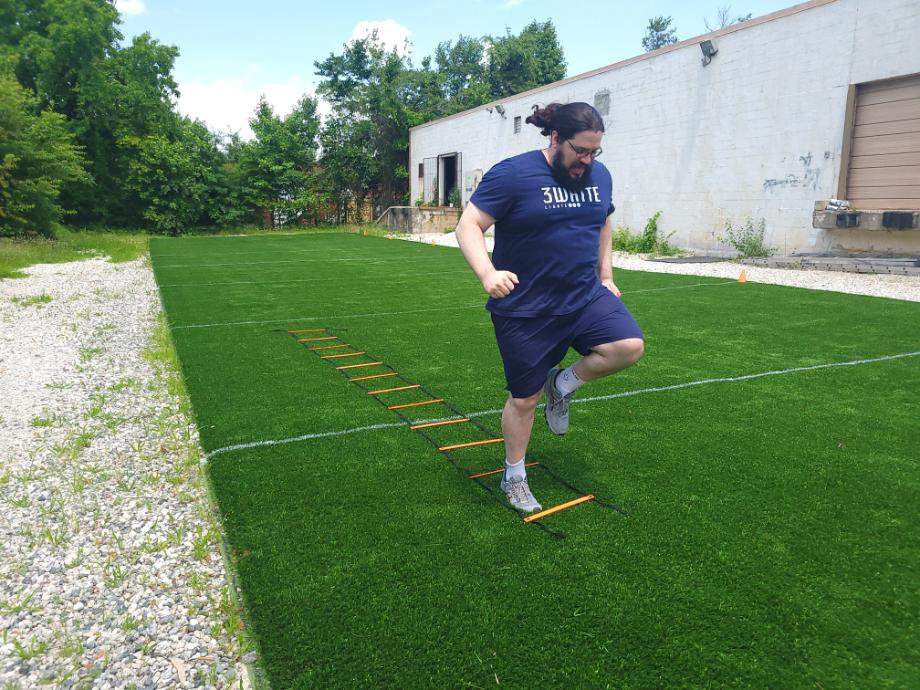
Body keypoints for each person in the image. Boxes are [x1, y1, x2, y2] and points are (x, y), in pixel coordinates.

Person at [455, 101, 645, 513]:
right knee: (523, 401)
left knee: (628, 346)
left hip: (582, 295)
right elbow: (468, 224)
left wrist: (606, 275)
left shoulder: (600, 176)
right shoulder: (513, 174)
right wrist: (488, 274)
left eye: (595, 152)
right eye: (580, 151)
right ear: (556, 138)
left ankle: (561, 385)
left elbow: (603, 221)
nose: (587, 161)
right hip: (526, 308)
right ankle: (515, 476)